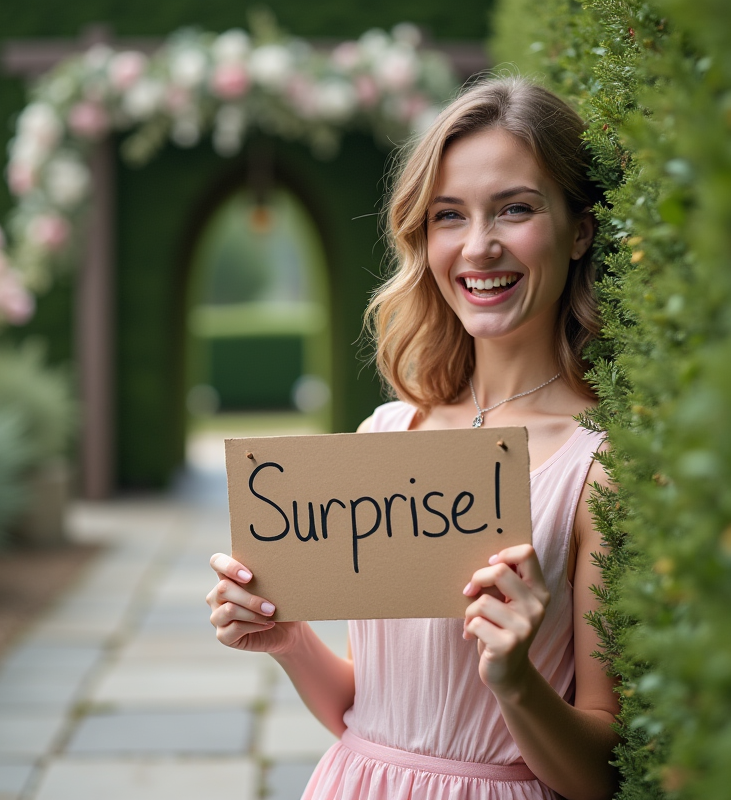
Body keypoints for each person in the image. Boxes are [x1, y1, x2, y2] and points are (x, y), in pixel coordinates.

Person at [207, 77, 620, 800]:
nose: (479, 247)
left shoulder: (601, 470)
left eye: (515, 209)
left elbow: (598, 778)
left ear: (579, 228)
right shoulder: (390, 431)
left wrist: (515, 680)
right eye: (449, 216)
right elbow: (365, 715)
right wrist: (288, 639)